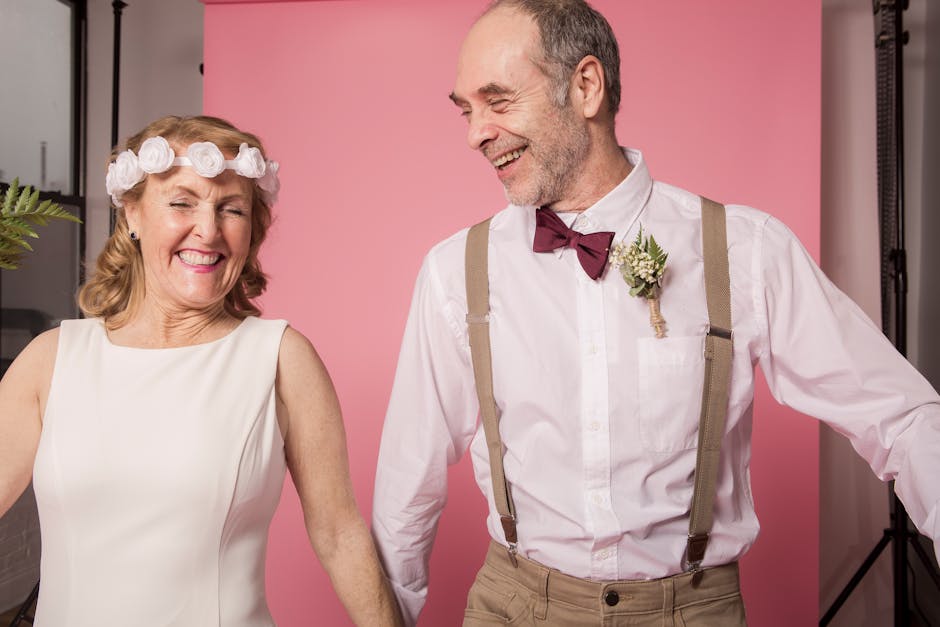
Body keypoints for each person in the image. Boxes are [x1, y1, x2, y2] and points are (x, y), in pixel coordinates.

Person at [370, 1, 940, 625]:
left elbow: (901, 416)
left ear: (585, 86)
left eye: (497, 101)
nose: (475, 133)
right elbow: (408, 479)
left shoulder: (743, 250)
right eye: (466, 109)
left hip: (692, 610)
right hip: (514, 606)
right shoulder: (456, 270)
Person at [0, 115, 402, 626]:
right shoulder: (50, 360)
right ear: (133, 215)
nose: (208, 230)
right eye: (181, 202)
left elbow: (340, 535)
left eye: (231, 209)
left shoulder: (280, 357)